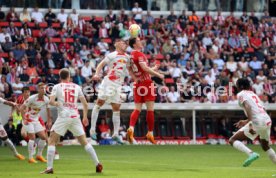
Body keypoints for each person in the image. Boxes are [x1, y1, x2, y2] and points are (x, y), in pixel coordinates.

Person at [41, 68, 102, 174]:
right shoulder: (76, 86)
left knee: (51, 140)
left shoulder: (57, 86)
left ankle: (49, 168)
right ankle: (97, 164)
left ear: (60, 77)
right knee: (84, 142)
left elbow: (51, 102)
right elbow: (85, 104)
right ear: (69, 76)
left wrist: (57, 104)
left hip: (64, 116)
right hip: (75, 116)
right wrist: (85, 117)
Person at [90, 39, 131, 144]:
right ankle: (92, 129)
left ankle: (116, 134)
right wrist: (96, 74)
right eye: (122, 43)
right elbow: (101, 65)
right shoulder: (111, 55)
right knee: (99, 102)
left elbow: (130, 69)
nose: (124, 44)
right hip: (108, 82)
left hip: (118, 85)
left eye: (125, 43)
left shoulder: (127, 57)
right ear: (116, 44)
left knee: (116, 108)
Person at [229, 78, 276, 167]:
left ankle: (251, 154)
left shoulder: (241, 94)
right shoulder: (253, 94)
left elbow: (248, 106)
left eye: (237, 85)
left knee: (232, 140)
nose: (236, 86)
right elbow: (263, 108)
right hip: (266, 120)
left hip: (257, 121)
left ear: (241, 86)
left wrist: (248, 121)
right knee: (265, 146)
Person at [127, 37, 164, 144]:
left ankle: (131, 128)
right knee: (150, 109)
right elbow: (144, 68)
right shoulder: (140, 55)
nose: (141, 42)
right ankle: (150, 133)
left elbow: (131, 69)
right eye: (138, 41)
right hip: (147, 83)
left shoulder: (130, 56)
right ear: (134, 45)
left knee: (137, 108)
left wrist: (153, 69)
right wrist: (158, 74)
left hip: (138, 84)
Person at [20, 83, 52, 164]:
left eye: (44, 88)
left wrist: (49, 121)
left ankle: (39, 155)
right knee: (32, 137)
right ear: (38, 90)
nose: (43, 89)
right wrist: (24, 119)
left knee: (43, 137)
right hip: (28, 120)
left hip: (36, 120)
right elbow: (21, 108)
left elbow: (48, 110)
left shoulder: (46, 99)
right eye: (41, 88)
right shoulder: (32, 98)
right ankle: (30, 158)